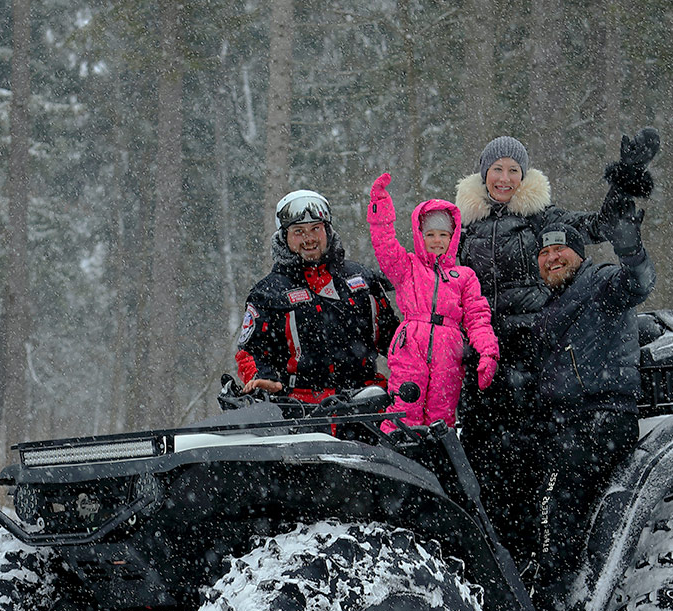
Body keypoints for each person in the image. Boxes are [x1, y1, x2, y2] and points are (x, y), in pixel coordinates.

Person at [529, 165, 657, 611]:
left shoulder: (600, 283)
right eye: (544, 252)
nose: (552, 257)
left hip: (602, 416)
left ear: (579, 254)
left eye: (560, 249)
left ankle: (554, 610)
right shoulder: (550, 306)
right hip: (570, 421)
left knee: (555, 500)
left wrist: (630, 247)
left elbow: (638, 281)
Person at [452, 136, 589, 561]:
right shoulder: (463, 225)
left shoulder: (541, 218)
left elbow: (588, 228)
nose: (505, 178)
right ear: (484, 174)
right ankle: (491, 554)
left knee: (529, 454)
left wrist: (620, 195)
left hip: (530, 348)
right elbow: (433, 266)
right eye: (497, 169)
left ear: (524, 176)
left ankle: (532, 554)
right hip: (481, 352)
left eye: (514, 170)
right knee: (480, 454)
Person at [234, 189, 398, 404]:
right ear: (284, 236)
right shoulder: (268, 293)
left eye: (315, 228)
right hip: (301, 406)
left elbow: (395, 340)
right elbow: (249, 352)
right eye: (299, 231)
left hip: (367, 398)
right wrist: (264, 380)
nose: (309, 238)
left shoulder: (361, 279)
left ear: (327, 230)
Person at [364, 172, 500, 429]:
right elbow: (385, 245)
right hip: (410, 346)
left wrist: (488, 352)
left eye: (443, 235)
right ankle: (397, 448)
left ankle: (439, 453)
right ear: (420, 236)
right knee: (405, 408)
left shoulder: (464, 276)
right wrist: (380, 207)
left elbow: (478, 318)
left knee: (442, 414)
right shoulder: (407, 267)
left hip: (449, 352)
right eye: (430, 235)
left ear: (453, 237)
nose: (437, 241)